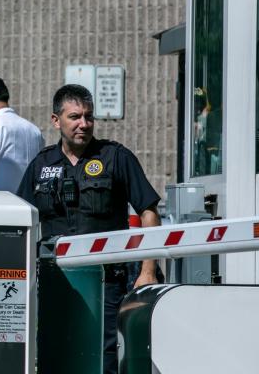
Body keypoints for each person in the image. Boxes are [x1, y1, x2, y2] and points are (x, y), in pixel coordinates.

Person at [17, 84, 161, 374]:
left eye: (89, 117)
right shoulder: (41, 164)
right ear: (56, 120)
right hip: (57, 282)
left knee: (102, 354)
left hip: (106, 281)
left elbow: (148, 212)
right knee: (56, 349)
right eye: (75, 117)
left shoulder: (115, 157)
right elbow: (21, 218)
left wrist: (147, 271)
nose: (84, 124)